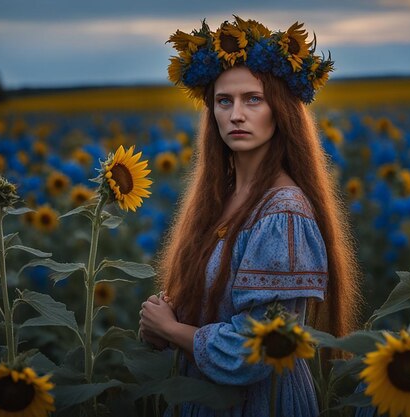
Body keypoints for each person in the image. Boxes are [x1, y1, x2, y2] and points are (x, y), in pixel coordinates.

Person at [139, 16, 361, 416]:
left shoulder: (284, 213)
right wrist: (164, 321)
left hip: (261, 404)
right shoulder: (217, 201)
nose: (236, 114)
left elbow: (256, 350)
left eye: (252, 99)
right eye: (224, 101)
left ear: (281, 112)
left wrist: (172, 330)